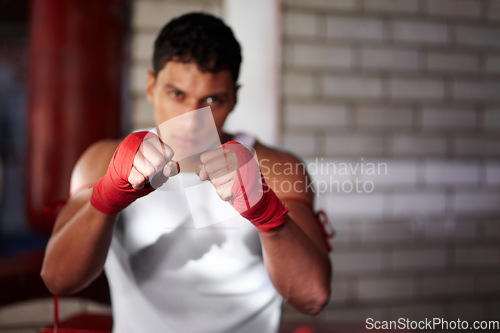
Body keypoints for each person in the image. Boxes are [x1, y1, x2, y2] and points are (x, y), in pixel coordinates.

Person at [41, 12, 332, 333]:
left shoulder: (275, 169)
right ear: (151, 86)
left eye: (211, 100)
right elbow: (57, 279)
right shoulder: (102, 161)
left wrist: (267, 213)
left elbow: (312, 298)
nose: (192, 119)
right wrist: (105, 195)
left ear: (233, 97)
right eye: (177, 94)